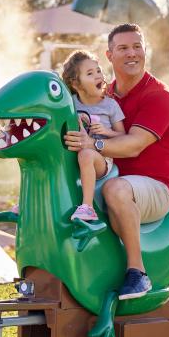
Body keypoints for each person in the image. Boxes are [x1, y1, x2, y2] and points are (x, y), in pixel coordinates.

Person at [64, 23, 169, 300]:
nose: (132, 53)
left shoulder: (159, 97)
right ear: (109, 55)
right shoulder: (103, 94)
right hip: (110, 176)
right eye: (123, 48)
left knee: (114, 189)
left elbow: (134, 145)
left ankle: (137, 273)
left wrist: (93, 144)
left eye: (137, 46)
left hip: (155, 187)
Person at [61, 50, 126, 222]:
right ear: (76, 84)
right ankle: (25, 203)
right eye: (90, 73)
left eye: (98, 71)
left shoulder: (110, 105)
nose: (98, 75)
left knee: (86, 154)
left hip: (101, 161)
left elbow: (123, 136)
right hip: (74, 156)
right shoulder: (70, 104)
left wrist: (106, 132)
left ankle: (88, 207)